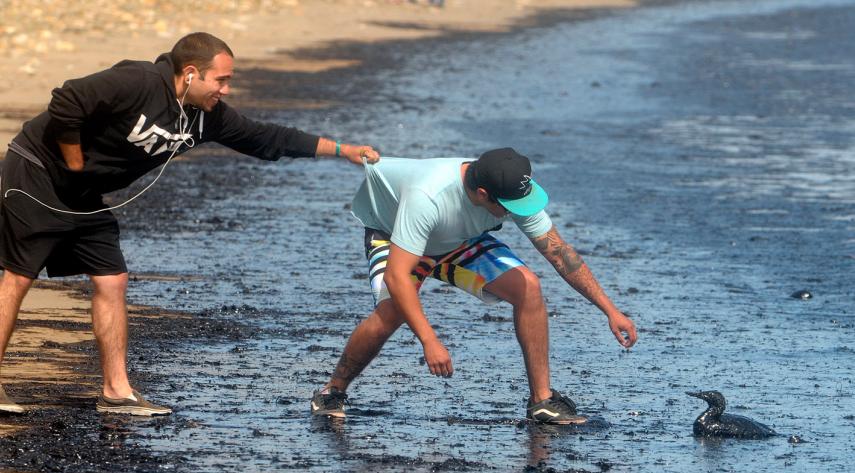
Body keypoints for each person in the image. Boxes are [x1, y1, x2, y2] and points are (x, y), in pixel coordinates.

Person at [0, 32, 380, 416]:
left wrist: (341, 150)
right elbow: (67, 99)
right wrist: (76, 162)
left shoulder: (206, 117)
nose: (226, 90)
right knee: (19, 276)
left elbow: (266, 138)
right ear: (191, 73)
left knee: (112, 279)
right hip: (36, 174)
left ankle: (116, 391)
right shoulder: (139, 82)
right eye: (221, 80)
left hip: (83, 197)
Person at [310, 148, 637, 424]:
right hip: (394, 231)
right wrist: (430, 340)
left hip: (457, 238)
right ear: (482, 195)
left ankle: (542, 401)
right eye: (510, 207)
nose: (517, 212)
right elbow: (398, 276)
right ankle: (332, 391)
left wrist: (609, 309)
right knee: (393, 311)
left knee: (528, 287)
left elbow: (560, 253)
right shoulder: (429, 195)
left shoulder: (508, 187)